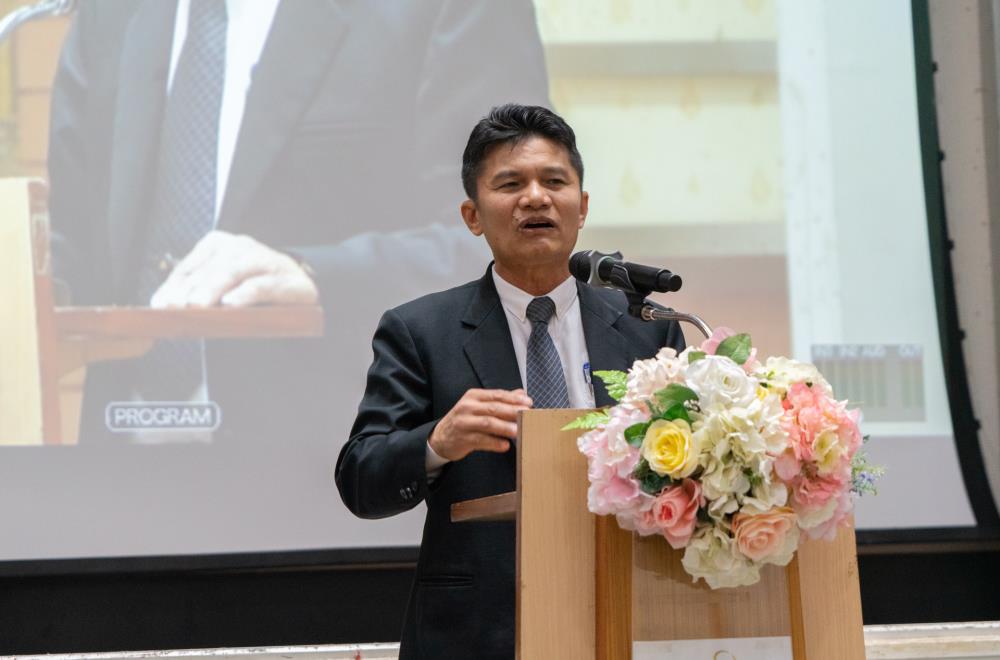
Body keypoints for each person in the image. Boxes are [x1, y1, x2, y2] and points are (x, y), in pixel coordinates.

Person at [46, 0, 549, 445]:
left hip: (342, 467)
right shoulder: (107, 13)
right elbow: (72, 246)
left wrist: (317, 276)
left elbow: (513, 242)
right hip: (119, 466)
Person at [337, 104, 686, 660]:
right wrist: (436, 442)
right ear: (472, 215)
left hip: (627, 614)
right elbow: (361, 480)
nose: (535, 198)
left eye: (554, 181)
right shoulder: (420, 331)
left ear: (582, 207)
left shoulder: (648, 327)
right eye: (510, 184)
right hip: (477, 632)